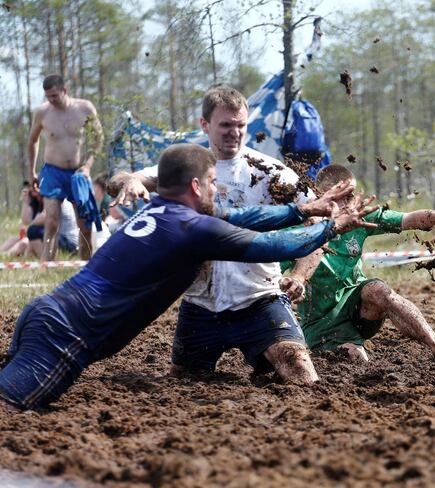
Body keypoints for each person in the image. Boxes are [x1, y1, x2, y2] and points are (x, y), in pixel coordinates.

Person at [0, 144, 376, 411]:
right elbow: (271, 247)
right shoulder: (193, 229)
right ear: (196, 187)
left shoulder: (163, 211)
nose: (217, 189)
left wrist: (302, 209)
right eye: (212, 182)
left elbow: (242, 218)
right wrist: (331, 229)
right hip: (66, 335)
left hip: (46, 314)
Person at [108, 85, 329, 383]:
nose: (234, 133)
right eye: (225, 125)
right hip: (202, 305)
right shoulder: (186, 168)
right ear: (205, 125)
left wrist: (301, 275)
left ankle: (269, 357)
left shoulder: (270, 172)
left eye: (241, 126)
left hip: (260, 299)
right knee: (182, 380)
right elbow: (123, 179)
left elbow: (317, 223)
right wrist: (131, 181)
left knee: (302, 373)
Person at [287, 164, 435, 362]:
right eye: (343, 196)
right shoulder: (302, 232)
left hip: (360, 307)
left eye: (352, 194)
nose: (351, 202)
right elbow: (270, 272)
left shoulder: (359, 217)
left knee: (378, 289)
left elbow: (408, 219)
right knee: (356, 358)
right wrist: (292, 283)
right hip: (323, 322)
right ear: (324, 197)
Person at [27, 75, 103, 261]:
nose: (51, 100)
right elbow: (32, 141)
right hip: (52, 171)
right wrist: (32, 172)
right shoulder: (43, 113)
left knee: (84, 223)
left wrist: (88, 166)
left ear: (64, 91)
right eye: (48, 96)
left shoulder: (85, 108)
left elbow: (98, 138)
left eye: (54, 95)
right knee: (52, 220)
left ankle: (85, 264)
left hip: (78, 173)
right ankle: (47, 264)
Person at [1, 182, 40, 257]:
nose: (32, 189)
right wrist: (25, 201)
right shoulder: (35, 202)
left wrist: (31, 226)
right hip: (36, 237)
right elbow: (26, 221)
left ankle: (5, 256)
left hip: (45, 239)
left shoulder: (48, 200)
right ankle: (1, 254)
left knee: (23, 243)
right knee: (13, 239)